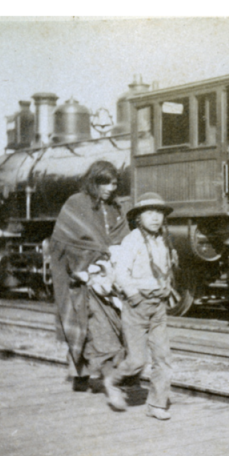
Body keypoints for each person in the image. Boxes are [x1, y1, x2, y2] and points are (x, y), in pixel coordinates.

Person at [49, 161, 130, 394]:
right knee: (82, 322)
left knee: (110, 324)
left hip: (110, 277)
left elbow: (122, 237)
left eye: (114, 183)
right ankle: (80, 374)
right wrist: (89, 260)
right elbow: (63, 243)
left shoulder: (116, 207)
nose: (111, 188)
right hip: (81, 277)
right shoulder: (76, 204)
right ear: (93, 182)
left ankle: (111, 371)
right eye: (105, 182)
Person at [104, 192, 177, 420]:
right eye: (149, 213)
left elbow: (163, 269)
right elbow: (120, 273)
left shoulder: (163, 239)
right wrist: (134, 296)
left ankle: (156, 405)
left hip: (158, 306)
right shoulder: (132, 240)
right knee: (137, 361)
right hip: (137, 305)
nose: (155, 218)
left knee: (163, 358)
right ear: (138, 218)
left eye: (159, 213)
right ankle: (112, 381)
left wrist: (166, 288)